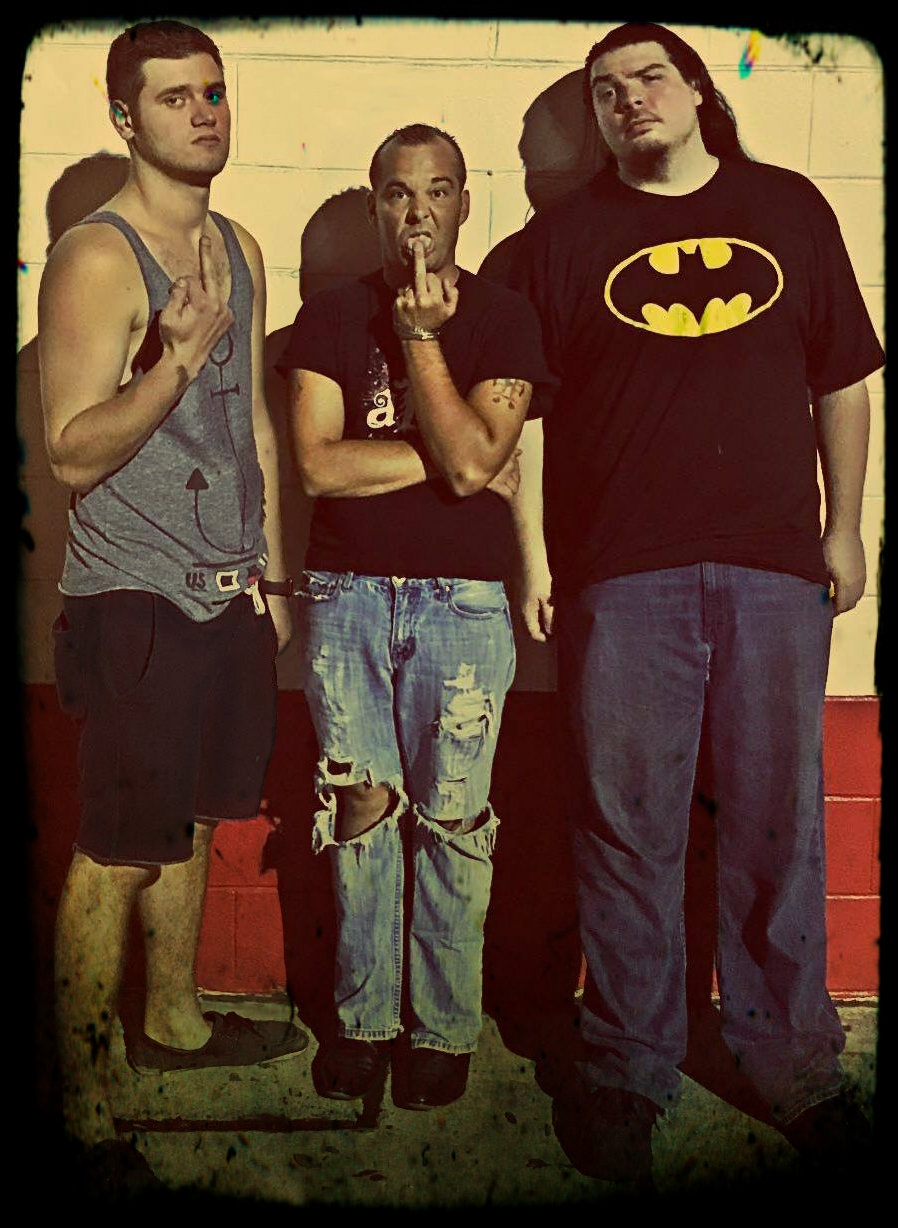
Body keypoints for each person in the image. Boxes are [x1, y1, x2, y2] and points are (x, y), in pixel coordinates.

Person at [506, 22, 884, 1182]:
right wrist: (538, 560)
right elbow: (525, 418)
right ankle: (630, 1067)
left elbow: (843, 378)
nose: (628, 100)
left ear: (697, 90)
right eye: (603, 90)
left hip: (772, 567)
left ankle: (793, 1064)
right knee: (625, 827)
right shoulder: (560, 241)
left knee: (777, 821)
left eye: (648, 77)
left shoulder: (787, 208)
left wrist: (843, 525)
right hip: (620, 574)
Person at [38, 19, 307, 1175]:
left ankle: (177, 1022)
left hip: (228, 591)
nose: (204, 114)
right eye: (174, 98)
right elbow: (71, 450)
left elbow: (254, 426)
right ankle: (83, 1100)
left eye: (213, 92)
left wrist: (273, 575)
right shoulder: (98, 259)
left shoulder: (238, 246)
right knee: (118, 851)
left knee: (196, 819)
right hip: (134, 598)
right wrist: (176, 360)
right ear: (123, 118)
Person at [276, 123, 554, 1109]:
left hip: (463, 600)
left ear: (464, 203)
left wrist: (424, 344)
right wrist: (459, 455)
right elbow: (319, 465)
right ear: (375, 208)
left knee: (453, 818)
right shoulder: (328, 315)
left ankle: (441, 1031)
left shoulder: (505, 317)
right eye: (398, 193)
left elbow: (493, 466)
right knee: (360, 809)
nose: (418, 212)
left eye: (438, 190)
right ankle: (364, 1023)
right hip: (346, 593)